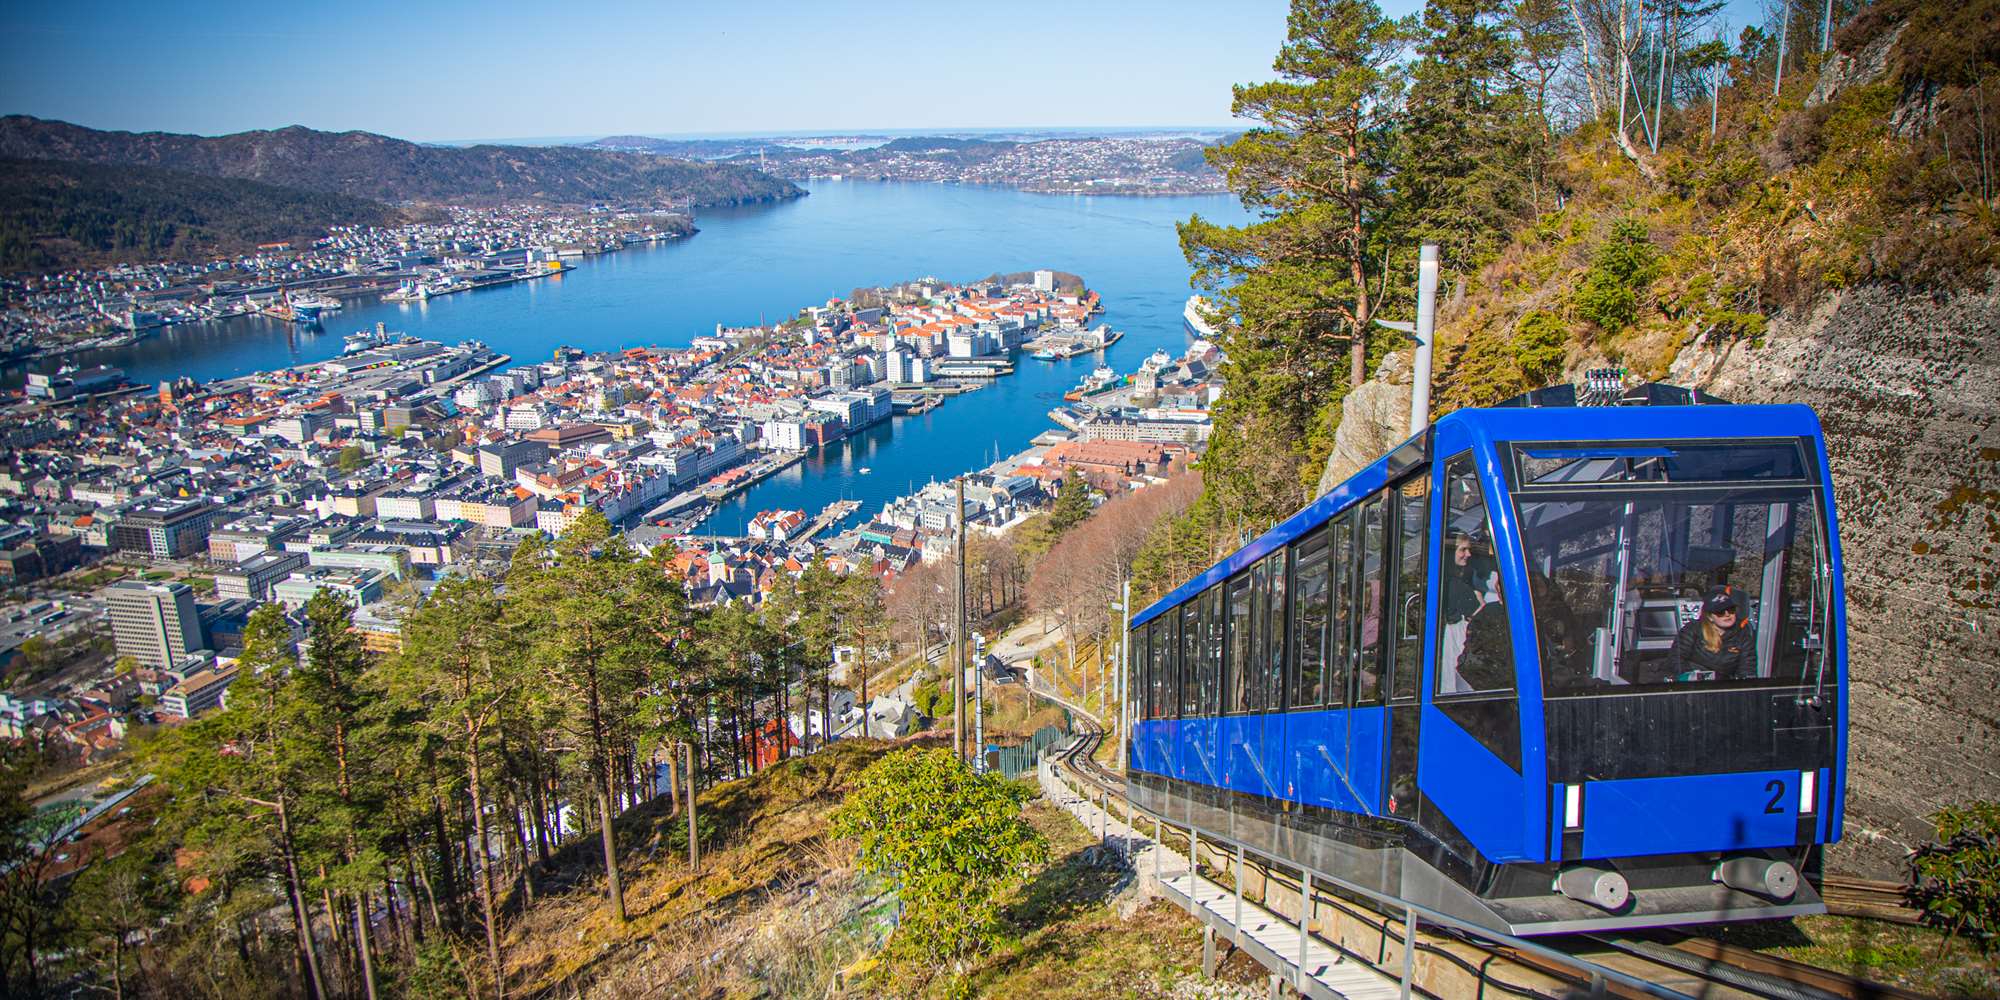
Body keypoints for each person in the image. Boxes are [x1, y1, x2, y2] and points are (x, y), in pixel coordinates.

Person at [1666, 585, 1757, 681]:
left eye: (1731, 610)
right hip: (1692, 685)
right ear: (1710, 617)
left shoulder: (1743, 637)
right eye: (1720, 612)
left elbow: (1747, 671)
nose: (1727, 614)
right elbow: (1675, 660)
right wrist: (1696, 677)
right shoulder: (1692, 630)